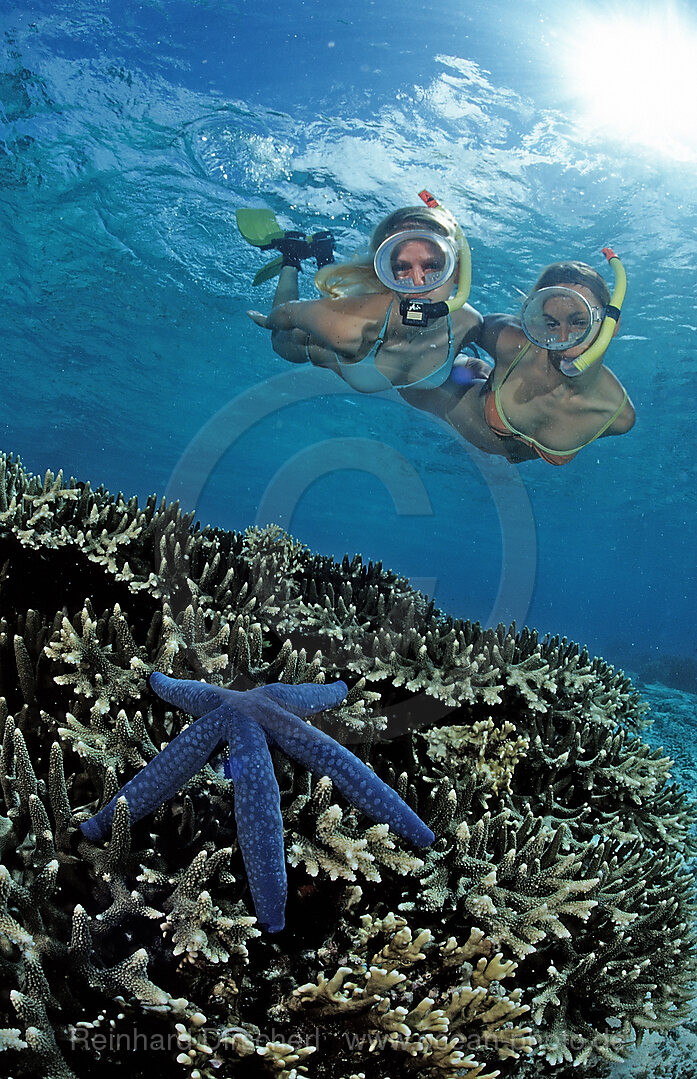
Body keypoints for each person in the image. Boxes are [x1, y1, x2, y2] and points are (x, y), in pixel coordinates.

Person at [400, 251, 636, 464]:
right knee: (401, 373)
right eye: (551, 324)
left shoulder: (618, 418)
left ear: (612, 326)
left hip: (489, 427)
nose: (564, 339)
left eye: (579, 322)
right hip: (451, 394)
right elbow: (463, 322)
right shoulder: (513, 341)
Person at [243, 195, 482, 393]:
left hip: (348, 315)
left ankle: (323, 252)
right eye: (401, 268)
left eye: (433, 266)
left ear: (457, 270)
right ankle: (291, 256)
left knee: (336, 301)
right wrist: (269, 321)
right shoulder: (350, 327)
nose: (418, 284)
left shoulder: (470, 324)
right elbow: (288, 311)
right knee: (278, 339)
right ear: (384, 273)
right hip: (305, 343)